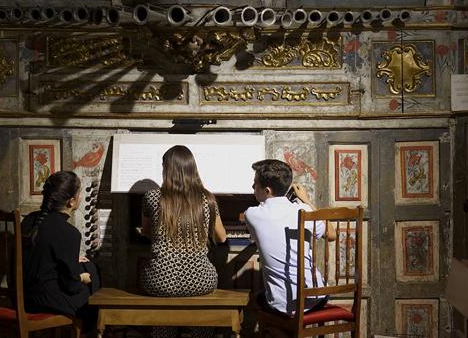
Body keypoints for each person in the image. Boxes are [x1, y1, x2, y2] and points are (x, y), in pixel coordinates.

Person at [140, 145, 227, 338]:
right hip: (201, 281)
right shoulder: (207, 199)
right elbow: (222, 237)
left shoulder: (152, 197)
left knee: (164, 317)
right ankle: (201, 334)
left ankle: (164, 334)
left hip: (159, 281)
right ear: (192, 168)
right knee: (201, 321)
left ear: (166, 169)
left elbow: (147, 232)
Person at [244, 159, 336, 316]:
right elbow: (332, 234)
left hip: (283, 304)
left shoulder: (252, 214)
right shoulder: (304, 210)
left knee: (257, 299)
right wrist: (306, 200)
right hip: (317, 296)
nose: (253, 187)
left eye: (255, 184)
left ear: (267, 191)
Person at [21, 170, 100, 329]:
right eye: (79, 194)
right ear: (71, 201)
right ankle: (93, 329)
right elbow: (71, 285)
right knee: (91, 271)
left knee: (84, 264)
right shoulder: (69, 233)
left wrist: (72, 260)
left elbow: (41, 256)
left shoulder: (29, 221)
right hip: (45, 301)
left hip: (23, 296)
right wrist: (82, 278)